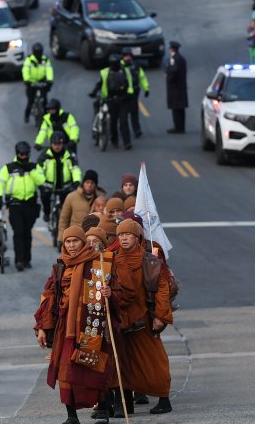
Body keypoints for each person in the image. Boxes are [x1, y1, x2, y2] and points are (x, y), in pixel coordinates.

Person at [34, 226, 119, 424]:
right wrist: (41, 327)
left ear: (83, 242)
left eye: (75, 241)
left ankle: (104, 412)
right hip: (66, 328)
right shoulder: (60, 266)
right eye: (68, 242)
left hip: (91, 324)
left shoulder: (100, 262)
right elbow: (49, 297)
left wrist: (110, 294)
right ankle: (71, 417)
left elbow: (118, 290)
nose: (72, 246)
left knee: (95, 369)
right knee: (65, 373)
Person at [112, 220, 174, 415]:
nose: (123, 238)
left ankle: (164, 399)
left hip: (144, 320)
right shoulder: (111, 260)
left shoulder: (150, 261)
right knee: (123, 363)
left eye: (128, 234)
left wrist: (160, 316)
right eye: (120, 235)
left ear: (137, 237)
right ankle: (125, 404)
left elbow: (162, 289)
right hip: (121, 320)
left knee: (154, 361)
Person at [0, 141, 45, 271]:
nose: (23, 156)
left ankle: (27, 259)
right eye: (21, 154)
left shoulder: (34, 166)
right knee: (19, 232)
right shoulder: (9, 168)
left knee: (27, 232)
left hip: (30, 204)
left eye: (26, 154)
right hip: (15, 204)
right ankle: (19, 260)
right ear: (17, 153)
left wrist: (30, 170)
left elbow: (41, 181)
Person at [90, 55, 134, 150]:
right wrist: (93, 92)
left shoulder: (126, 72)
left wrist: (128, 95)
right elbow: (100, 83)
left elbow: (130, 85)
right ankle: (114, 140)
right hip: (110, 100)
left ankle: (127, 142)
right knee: (112, 122)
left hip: (123, 100)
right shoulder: (105, 72)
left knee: (123, 121)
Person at [38, 131, 81, 223]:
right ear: (51, 144)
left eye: (59, 144)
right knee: (44, 197)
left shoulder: (69, 154)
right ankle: (47, 212)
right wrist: (41, 183)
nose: (57, 146)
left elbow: (75, 169)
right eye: (55, 144)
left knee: (68, 205)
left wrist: (77, 181)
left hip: (65, 186)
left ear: (63, 144)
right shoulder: (44, 155)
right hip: (49, 185)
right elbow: (39, 170)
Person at [59, 169, 106, 242]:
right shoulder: (71, 197)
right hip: (75, 237)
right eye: (87, 182)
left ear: (96, 185)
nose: (89, 185)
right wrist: (62, 237)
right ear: (83, 183)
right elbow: (64, 219)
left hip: (94, 238)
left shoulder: (101, 198)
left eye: (92, 183)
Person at [22, 43, 54, 124]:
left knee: (45, 101)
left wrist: (49, 80)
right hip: (31, 82)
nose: (38, 54)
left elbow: (49, 70)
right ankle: (27, 115)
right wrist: (27, 80)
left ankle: (47, 118)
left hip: (42, 82)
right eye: (37, 53)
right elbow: (25, 70)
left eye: (39, 52)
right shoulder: (29, 60)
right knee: (30, 101)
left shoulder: (45, 60)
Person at [121, 51, 150, 138]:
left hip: (134, 91)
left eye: (129, 56)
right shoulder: (119, 66)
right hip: (123, 93)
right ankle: (123, 130)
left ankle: (137, 130)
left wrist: (146, 88)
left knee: (134, 111)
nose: (128, 58)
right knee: (123, 113)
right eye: (126, 56)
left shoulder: (136, 66)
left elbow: (142, 77)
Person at [165, 41, 188, 134]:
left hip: (175, 88)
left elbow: (174, 72)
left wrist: (169, 78)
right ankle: (181, 127)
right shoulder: (182, 58)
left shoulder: (174, 59)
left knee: (176, 108)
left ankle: (177, 127)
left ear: (172, 49)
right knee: (181, 108)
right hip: (181, 86)